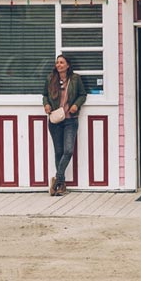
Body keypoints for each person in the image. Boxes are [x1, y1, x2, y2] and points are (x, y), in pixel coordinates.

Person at [41, 53, 86, 196]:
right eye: (57, 62)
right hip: (55, 119)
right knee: (59, 152)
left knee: (68, 151)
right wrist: (46, 104)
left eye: (61, 62)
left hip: (70, 120)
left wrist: (76, 105)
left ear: (68, 65)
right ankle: (61, 185)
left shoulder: (75, 79)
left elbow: (82, 94)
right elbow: (44, 95)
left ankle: (56, 180)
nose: (58, 65)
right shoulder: (50, 79)